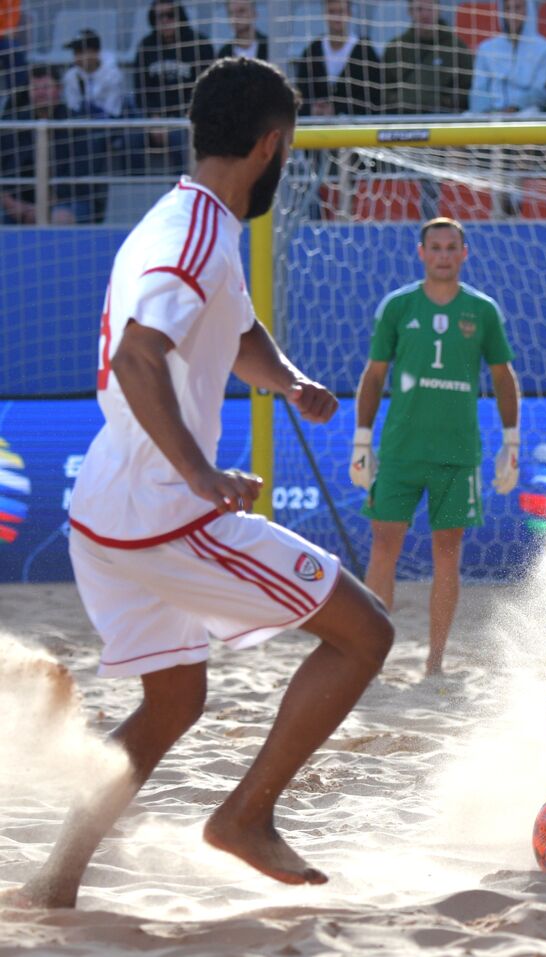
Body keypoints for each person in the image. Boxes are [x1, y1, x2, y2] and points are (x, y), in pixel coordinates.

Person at [0, 57, 394, 909]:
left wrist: (287, 380)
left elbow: (236, 329)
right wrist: (201, 472)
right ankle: (245, 817)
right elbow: (139, 355)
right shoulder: (200, 234)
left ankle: (55, 879)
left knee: (174, 701)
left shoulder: (185, 215)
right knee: (366, 633)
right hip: (164, 512)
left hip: (108, 510)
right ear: (271, 145)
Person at [350, 218, 520, 679]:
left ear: (465, 253)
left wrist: (511, 440)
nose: (443, 255)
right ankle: (371, 657)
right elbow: (374, 374)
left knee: (449, 553)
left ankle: (435, 662)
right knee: (383, 547)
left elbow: (504, 377)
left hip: (458, 452)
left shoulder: (482, 310)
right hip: (402, 449)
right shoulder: (398, 306)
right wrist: (362, 439)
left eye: (452, 247)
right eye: (436, 247)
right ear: (421, 252)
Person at [0, 66, 106, 225]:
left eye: (46, 87)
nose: (40, 93)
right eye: (35, 88)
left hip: (68, 200)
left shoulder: (77, 125)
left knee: (60, 217)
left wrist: (45, 207)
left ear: (59, 89)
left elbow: (81, 178)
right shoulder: (13, 125)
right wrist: (11, 203)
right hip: (20, 204)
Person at [134, 1, 215, 170]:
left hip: (189, 118)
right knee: (130, 135)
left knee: (179, 137)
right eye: (159, 16)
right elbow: (140, 89)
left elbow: (208, 89)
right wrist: (154, 119)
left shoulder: (199, 44)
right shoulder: (146, 47)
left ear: (180, 16)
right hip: (155, 117)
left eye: (170, 15)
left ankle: (181, 190)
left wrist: (188, 116)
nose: (165, 20)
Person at [292, 0, 382, 116]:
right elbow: (301, 91)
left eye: (341, 12)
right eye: (331, 12)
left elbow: (373, 96)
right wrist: (313, 108)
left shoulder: (365, 52)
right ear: (324, 14)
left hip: (355, 127)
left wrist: (337, 109)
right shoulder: (312, 51)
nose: (336, 17)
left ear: (349, 14)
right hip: (316, 127)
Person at [382, 0, 473, 115]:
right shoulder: (395, 48)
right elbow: (383, 89)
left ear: (439, 10)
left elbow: (468, 89)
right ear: (410, 12)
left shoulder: (457, 47)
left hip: (444, 120)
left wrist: (442, 102)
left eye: (430, 9)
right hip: (401, 119)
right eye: (419, 9)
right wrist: (402, 100)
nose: (425, 14)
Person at [469, 0, 546, 114]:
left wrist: (514, 107)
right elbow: (479, 89)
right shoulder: (487, 48)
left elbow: (539, 91)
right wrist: (485, 111)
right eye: (508, 9)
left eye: (517, 8)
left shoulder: (544, 49)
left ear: (528, 10)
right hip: (490, 115)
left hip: (525, 113)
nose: (512, 15)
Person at [61, 29, 126, 118]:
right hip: (80, 127)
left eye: (81, 52)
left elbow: (113, 111)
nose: (77, 58)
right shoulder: (71, 76)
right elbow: (72, 107)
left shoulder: (113, 75)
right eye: (75, 53)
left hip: (109, 126)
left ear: (96, 52)